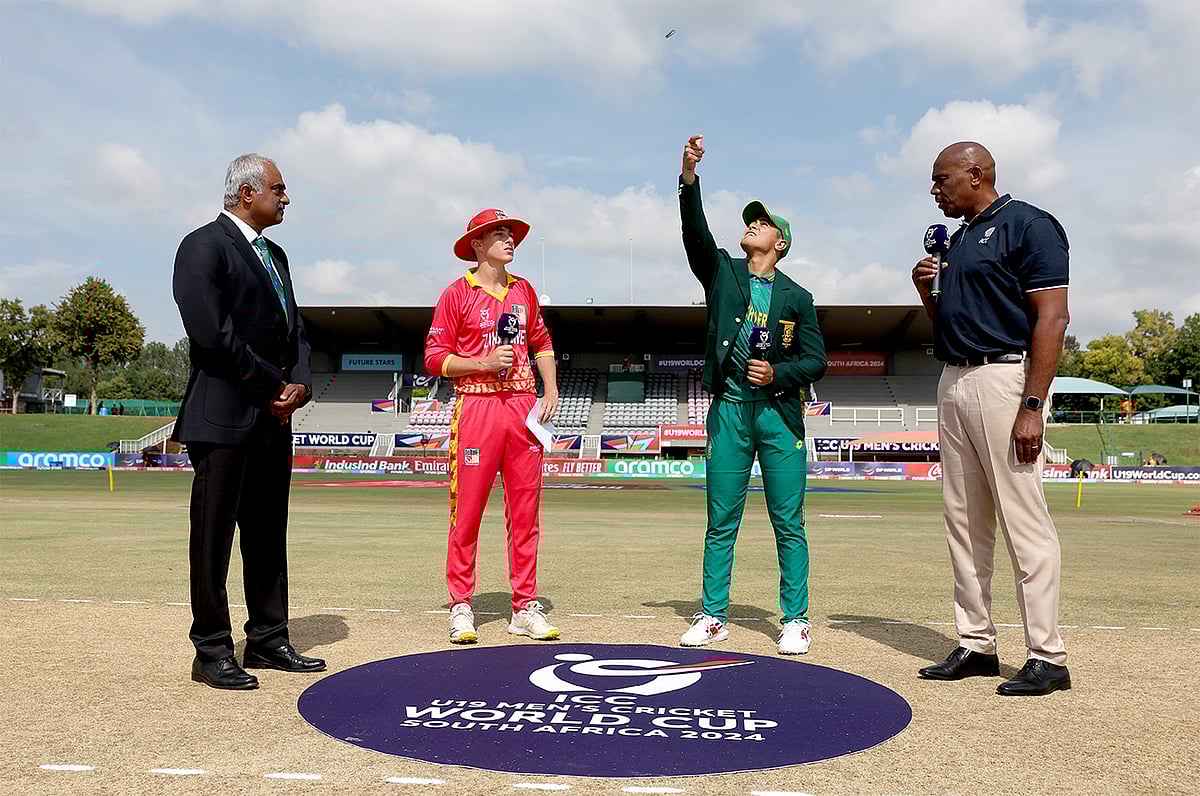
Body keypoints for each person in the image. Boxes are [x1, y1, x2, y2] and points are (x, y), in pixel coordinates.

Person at [912, 141, 1072, 696]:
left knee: (1022, 519)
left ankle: (1047, 656)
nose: (935, 190)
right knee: (964, 519)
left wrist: (1032, 404)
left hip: (1005, 380)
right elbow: (951, 323)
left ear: (975, 174)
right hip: (953, 378)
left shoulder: (1030, 225)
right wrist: (925, 292)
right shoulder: (955, 241)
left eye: (942, 179)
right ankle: (976, 641)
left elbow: (1052, 316)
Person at [172, 153, 324, 690]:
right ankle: (211, 649)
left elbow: (295, 330)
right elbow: (211, 336)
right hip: (224, 418)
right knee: (212, 538)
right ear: (247, 193)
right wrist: (270, 388)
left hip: (272, 419)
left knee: (266, 534)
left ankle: (266, 638)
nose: (286, 198)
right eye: (279, 189)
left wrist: (300, 384)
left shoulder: (276, 255)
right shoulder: (202, 246)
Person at [676, 135, 826, 655]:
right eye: (750, 220)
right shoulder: (722, 271)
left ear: (779, 242)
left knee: (789, 520)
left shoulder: (798, 296)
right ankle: (713, 614)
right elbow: (695, 234)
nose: (751, 225)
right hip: (730, 413)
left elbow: (816, 361)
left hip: (780, 416)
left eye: (761, 223)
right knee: (721, 520)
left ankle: (796, 619)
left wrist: (779, 373)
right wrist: (689, 178)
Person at [424, 208, 561, 645]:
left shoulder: (525, 291)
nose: (508, 240)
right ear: (477, 245)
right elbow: (434, 357)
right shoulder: (456, 294)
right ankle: (461, 604)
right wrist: (482, 362)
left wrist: (550, 388)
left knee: (525, 514)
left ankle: (524, 606)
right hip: (477, 408)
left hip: (522, 409)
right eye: (497, 234)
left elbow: (540, 341)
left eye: (510, 233)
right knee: (467, 512)